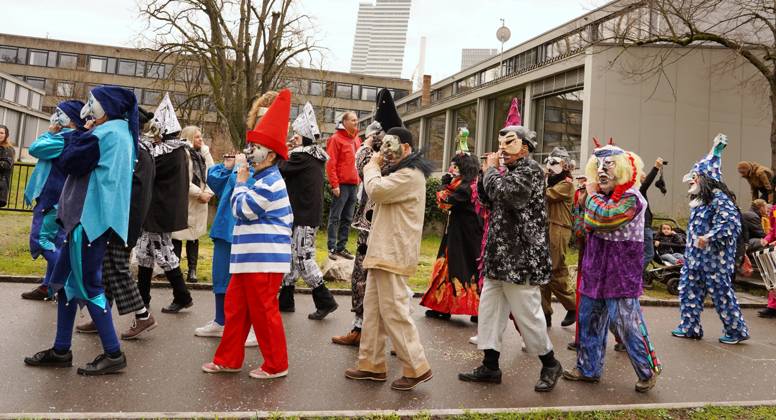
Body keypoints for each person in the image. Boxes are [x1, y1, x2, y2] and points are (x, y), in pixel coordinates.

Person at [24, 86, 138, 375]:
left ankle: (113, 353)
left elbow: (69, 160)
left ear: (107, 107)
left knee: (90, 286)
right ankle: (62, 349)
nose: (88, 108)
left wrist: (78, 133)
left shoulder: (107, 134)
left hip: (90, 220)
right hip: (84, 219)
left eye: (92, 103)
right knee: (62, 281)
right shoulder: (115, 132)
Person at [458, 126, 563, 392]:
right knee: (490, 312)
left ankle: (550, 363)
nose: (502, 148)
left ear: (525, 147)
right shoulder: (508, 173)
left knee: (528, 315)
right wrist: (486, 172)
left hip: (520, 259)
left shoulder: (532, 172)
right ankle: (490, 366)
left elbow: (507, 194)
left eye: (509, 143)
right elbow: (487, 199)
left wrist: (492, 171)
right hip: (499, 258)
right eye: (500, 143)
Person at [201, 88, 293, 379]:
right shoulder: (261, 179)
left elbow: (242, 209)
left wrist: (240, 180)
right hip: (248, 260)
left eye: (255, 147)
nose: (249, 152)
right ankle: (228, 359)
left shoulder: (271, 182)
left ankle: (276, 365)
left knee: (264, 315)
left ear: (270, 153)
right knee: (236, 310)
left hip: (264, 262)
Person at [562, 137, 661, 393]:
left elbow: (605, 219)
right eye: (599, 166)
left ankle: (647, 371)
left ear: (624, 169)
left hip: (621, 271)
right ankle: (588, 368)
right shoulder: (597, 197)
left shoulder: (634, 198)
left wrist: (591, 199)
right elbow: (583, 227)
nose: (602, 171)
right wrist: (587, 214)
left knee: (626, 323)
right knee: (589, 319)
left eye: (609, 165)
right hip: (595, 268)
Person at [344, 126, 434, 391]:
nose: (385, 151)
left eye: (390, 145)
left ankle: (417, 367)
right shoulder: (400, 171)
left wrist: (371, 165)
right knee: (373, 310)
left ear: (405, 148)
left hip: (393, 252)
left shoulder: (410, 174)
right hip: (382, 250)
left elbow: (377, 190)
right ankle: (371, 364)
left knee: (394, 311)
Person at [195, 92, 277, 346]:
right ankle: (221, 321)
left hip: (249, 230)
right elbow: (216, 183)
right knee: (220, 276)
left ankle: (251, 327)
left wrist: (246, 171)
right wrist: (229, 167)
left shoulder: (270, 162)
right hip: (224, 226)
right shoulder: (246, 154)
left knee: (248, 282)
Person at [77, 107, 158, 339]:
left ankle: (143, 316)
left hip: (124, 219)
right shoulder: (142, 148)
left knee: (117, 268)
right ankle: (100, 315)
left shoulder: (133, 149)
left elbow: (128, 190)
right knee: (109, 267)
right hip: (129, 218)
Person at [332, 89, 403, 346]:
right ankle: (361, 328)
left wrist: (367, 143)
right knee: (363, 278)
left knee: (383, 283)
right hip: (369, 226)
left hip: (382, 227)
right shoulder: (387, 154)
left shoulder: (390, 157)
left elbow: (362, 165)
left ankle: (396, 338)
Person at [672, 134, 750, 344]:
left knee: (722, 295)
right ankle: (690, 326)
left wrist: (709, 237)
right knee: (688, 290)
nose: (692, 180)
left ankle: (736, 331)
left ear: (705, 178)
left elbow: (730, 224)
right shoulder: (699, 201)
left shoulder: (719, 198)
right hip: (694, 260)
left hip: (715, 261)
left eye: (696, 176)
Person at [277, 102, 338, 320]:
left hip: (302, 215)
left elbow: (280, 168)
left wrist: (279, 150)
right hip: (305, 215)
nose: (293, 138)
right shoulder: (312, 156)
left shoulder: (301, 156)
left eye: (295, 135)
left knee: (302, 257)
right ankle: (286, 300)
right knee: (293, 257)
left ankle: (325, 300)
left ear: (304, 137)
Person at [134, 93, 193, 314]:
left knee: (163, 253)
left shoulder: (170, 152)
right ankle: (143, 297)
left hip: (160, 211)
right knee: (145, 253)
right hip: (157, 210)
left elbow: (150, 166)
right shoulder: (173, 150)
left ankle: (182, 295)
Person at [21, 101, 83, 300]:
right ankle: (49, 286)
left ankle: (65, 285)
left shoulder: (63, 139)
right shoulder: (71, 137)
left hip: (52, 199)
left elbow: (35, 149)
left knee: (41, 240)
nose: (55, 116)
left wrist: (49, 132)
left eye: (60, 113)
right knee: (55, 242)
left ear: (70, 119)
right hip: (59, 199)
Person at [420, 152, 483, 320]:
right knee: (456, 267)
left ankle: (476, 309)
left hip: (465, 235)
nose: (451, 169)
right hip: (463, 233)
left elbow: (445, 201)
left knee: (462, 268)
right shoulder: (465, 183)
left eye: (455, 166)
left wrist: (442, 187)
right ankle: (448, 307)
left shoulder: (467, 187)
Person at [172, 125, 215, 283]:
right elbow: (182, 179)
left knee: (194, 237)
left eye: (201, 136)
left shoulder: (202, 155)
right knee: (176, 237)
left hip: (200, 202)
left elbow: (213, 173)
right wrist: (199, 193)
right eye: (197, 137)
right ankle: (175, 271)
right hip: (185, 200)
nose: (201, 139)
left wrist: (209, 193)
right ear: (189, 137)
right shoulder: (182, 154)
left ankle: (192, 270)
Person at [541, 147, 577, 327]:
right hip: (547, 227)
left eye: (554, 163)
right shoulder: (552, 181)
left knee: (555, 270)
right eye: (549, 162)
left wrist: (537, 180)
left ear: (564, 165)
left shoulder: (566, 184)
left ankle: (573, 307)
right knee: (542, 271)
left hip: (559, 228)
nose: (550, 166)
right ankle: (544, 313)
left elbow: (547, 195)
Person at [325, 110, 361, 260]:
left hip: (354, 184)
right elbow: (330, 163)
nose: (356, 122)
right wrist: (335, 184)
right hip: (341, 185)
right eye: (353, 120)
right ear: (344, 122)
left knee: (347, 218)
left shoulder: (357, 140)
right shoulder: (336, 139)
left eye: (356, 120)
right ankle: (332, 247)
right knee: (335, 217)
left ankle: (341, 247)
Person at [641, 157, 665, 276]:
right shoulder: (639, 190)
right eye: (643, 177)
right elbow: (646, 183)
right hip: (644, 228)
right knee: (649, 254)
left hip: (645, 227)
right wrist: (656, 168)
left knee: (641, 253)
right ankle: (636, 276)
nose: (645, 179)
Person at [0, 124, 14, 208]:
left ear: (6, 135)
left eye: (2, 133)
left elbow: (7, 165)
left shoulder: (8, 149)